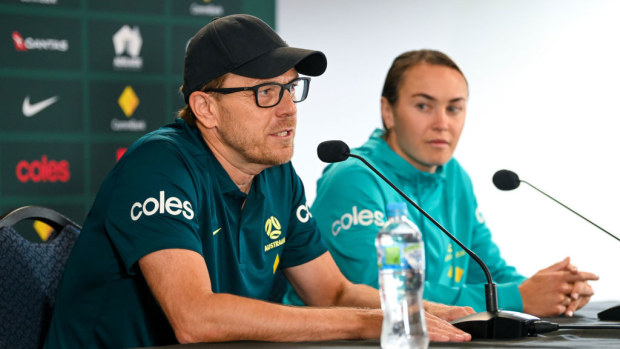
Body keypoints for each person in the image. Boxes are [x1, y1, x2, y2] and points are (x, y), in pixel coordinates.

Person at [44, 17, 473, 348]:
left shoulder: (277, 176)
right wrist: (368, 322)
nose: (288, 109)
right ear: (206, 108)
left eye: (291, 88)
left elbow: (333, 291)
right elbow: (195, 317)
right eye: (266, 92)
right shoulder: (158, 166)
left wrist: (437, 313)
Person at [284, 49, 599, 318]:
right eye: (424, 106)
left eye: (454, 108)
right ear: (387, 112)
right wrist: (519, 297)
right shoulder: (353, 177)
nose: (442, 123)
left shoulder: (453, 175)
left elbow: (488, 270)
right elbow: (374, 290)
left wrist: (553, 290)